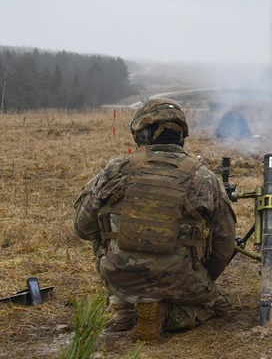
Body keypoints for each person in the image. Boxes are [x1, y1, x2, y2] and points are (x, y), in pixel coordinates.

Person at [73, 98, 236, 341]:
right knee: (220, 305)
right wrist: (203, 277)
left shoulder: (116, 170)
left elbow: (83, 228)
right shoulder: (204, 177)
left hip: (119, 277)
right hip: (182, 282)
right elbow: (224, 244)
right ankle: (165, 311)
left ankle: (124, 305)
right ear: (182, 135)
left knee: (102, 230)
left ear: (142, 133)